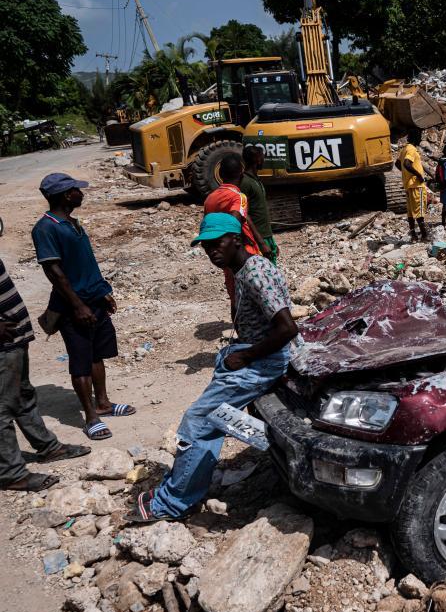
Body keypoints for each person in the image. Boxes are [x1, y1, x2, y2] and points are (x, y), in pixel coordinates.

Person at [127, 213, 298, 522]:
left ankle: (172, 503)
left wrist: (245, 358)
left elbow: (287, 328)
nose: (211, 252)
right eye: (206, 247)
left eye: (217, 244)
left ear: (236, 239)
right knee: (213, 419)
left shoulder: (256, 272)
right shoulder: (241, 269)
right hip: (248, 353)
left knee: (197, 421)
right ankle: (185, 484)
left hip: (262, 361)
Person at [33, 173, 135, 441]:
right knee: (80, 362)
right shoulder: (46, 228)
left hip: (94, 300)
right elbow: (54, 272)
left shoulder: (73, 224)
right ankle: (91, 417)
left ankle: (103, 403)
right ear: (66, 195)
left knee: (96, 355)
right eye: (77, 190)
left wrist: (103, 293)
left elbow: (86, 263)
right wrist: (78, 305)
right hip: (72, 307)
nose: (81, 193)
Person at [1, 256, 91, 491]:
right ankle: (12, 474)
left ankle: (48, 447)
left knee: (23, 396)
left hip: (13, 339)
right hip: (3, 345)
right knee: (2, 409)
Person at [203, 153, 267, 311]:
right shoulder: (238, 197)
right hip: (243, 252)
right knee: (258, 296)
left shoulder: (210, 198)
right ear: (241, 173)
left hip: (225, 254)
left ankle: (241, 331)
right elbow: (234, 222)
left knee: (235, 298)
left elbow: (209, 226)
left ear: (221, 174)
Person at [240, 145, 279, 265]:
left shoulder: (255, 179)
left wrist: (271, 241)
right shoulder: (245, 182)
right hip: (256, 239)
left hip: (266, 236)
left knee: (271, 272)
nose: (264, 160)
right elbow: (244, 214)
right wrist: (261, 243)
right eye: (263, 157)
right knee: (264, 275)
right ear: (257, 159)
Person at [400, 128, 430, 241]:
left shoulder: (405, 149)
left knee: (411, 212)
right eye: (419, 136)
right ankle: (424, 235)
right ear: (414, 137)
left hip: (408, 185)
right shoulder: (412, 149)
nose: (420, 139)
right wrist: (418, 175)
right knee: (419, 211)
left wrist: (406, 175)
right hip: (416, 185)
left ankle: (413, 235)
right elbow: (407, 164)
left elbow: (399, 164)